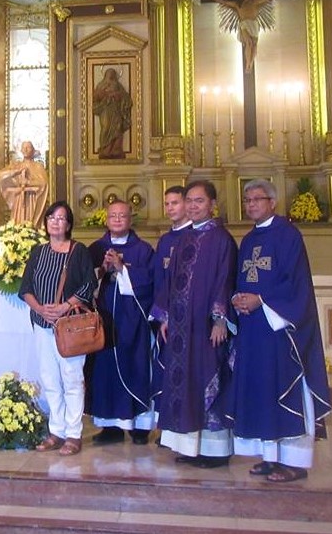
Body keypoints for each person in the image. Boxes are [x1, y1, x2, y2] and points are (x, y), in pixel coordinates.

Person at [230, 179, 331, 482]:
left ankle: (295, 461)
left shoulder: (288, 235)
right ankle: (270, 457)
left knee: (283, 388)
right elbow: (244, 278)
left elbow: (295, 282)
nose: (251, 205)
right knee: (262, 391)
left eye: (257, 199)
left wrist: (261, 300)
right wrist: (238, 298)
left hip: (281, 330)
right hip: (254, 329)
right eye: (247, 200)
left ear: (272, 202)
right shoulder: (248, 240)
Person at [151, 180, 237, 468]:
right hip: (179, 328)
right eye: (189, 200)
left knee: (206, 379)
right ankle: (189, 445)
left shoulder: (222, 239)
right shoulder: (184, 238)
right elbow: (171, 280)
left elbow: (225, 280)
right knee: (184, 384)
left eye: (199, 201)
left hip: (204, 327)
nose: (192, 206)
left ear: (212, 204)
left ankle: (214, 451)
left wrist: (219, 319)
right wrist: (163, 316)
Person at [18, 201, 97, 456]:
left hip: (69, 326)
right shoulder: (38, 252)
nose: (55, 221)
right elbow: (25, 288)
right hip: (42, 325)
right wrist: (40, 309)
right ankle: (57, 431)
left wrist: (64, 307)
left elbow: (88, 285)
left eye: (61, 218)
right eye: (51, 217)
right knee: (50, 380)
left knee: (72, 379)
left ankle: (74, 434)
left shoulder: (78, 251)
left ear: (69, 224)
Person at [86, 200, 155, 445]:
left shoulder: (144, 250)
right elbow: (85, 283)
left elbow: (149, 283)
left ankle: (139, 427)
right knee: (104, 371)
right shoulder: (95, 248)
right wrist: (102, 270)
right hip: (103, 319)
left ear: (130, 219)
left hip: (131, 320)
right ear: (106, 219)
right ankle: (110, 427)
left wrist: (122, 269)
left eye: (122, 216)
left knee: (134, 366)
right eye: (113, 215)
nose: (117, 219)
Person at [151, 186, 192, 410]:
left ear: (187, 204)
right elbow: (159, 280)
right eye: (167, 204)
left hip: (188, 317)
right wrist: (161, 315)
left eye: (174, 203)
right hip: (167, 318)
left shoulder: (196, 236)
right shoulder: (165, 240)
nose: (169, 208)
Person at [208, 0, 283, 74]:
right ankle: (248, 64)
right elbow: (225, 2)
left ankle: (251, 63)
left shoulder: (254, 2)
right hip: (244, 25)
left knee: (254, 45)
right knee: (249, 43)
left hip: (254, 25)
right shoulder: (237, 5)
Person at [0, 140, 49, 228]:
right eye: (24, 147)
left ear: (33, 150)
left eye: (28, 147)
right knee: (18, 223)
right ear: (21, 150)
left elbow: (44, 183)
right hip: (19, 200)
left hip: (33, 199)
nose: (26, 149)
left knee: (31, 223)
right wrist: (15, 172)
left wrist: (28, 183)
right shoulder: (16, 165)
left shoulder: (38, 166)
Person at [92, 67, 132, 159]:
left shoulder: (118, 85)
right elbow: (95, 98)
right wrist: (102, 94)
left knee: (118, 129)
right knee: (105, 127)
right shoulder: (101, 85)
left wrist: (118, 95)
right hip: (105, 110)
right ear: (105, 75)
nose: (110, 76)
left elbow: (126, 98)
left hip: (116, 111)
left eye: (112, 74)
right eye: (109, 74)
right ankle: (105, 149)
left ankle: (116, 150)